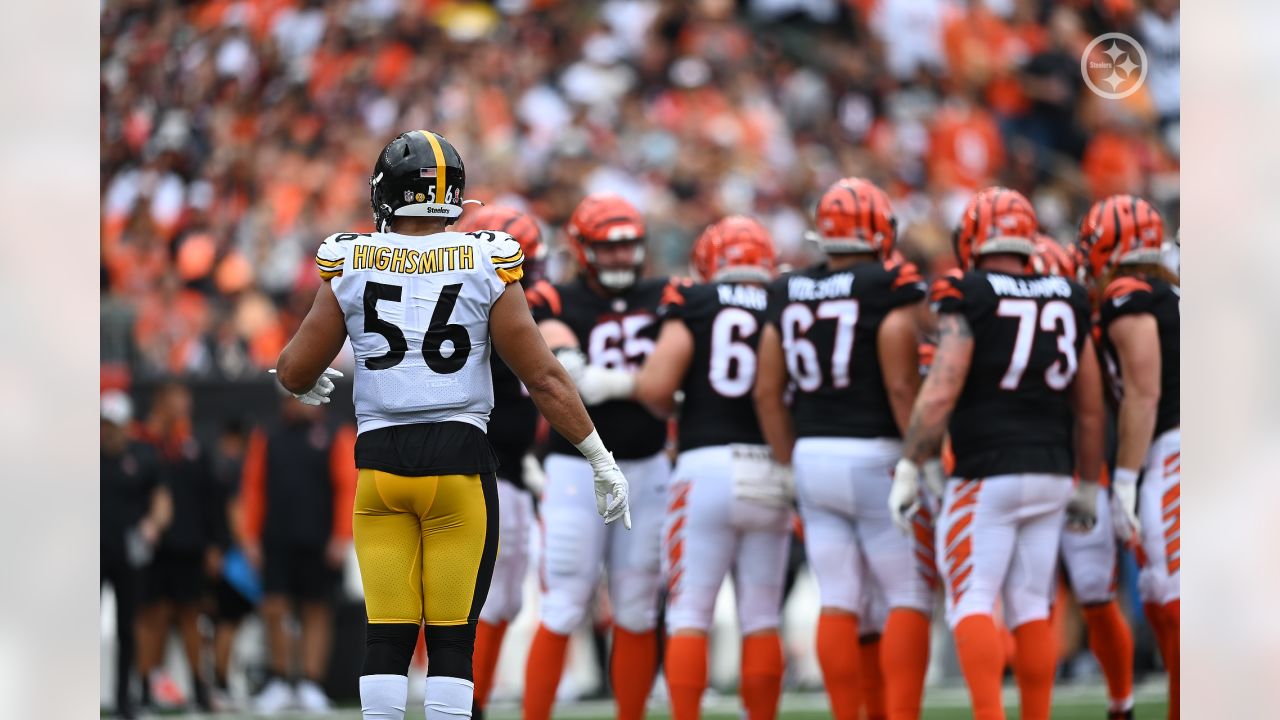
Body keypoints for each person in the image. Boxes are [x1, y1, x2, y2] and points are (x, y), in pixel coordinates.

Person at [272, 130, 631, 720]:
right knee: (451, 643)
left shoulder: (353, 260)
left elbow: (292, 369)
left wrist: (303, 381)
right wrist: (598, 456)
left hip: (380, 465)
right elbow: (542, 376)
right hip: (459, 463)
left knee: (385, 637)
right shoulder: (487, 258)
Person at [889, 187, 1105, 720]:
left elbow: (943, 383)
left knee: (972, 598)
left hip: (987, 471)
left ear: (972, 239)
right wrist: (1089, 481)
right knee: (1033, 605)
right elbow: (1092, 406)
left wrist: (913, 461)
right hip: (1053, 469)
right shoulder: (1067, 294)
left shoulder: (967, 289)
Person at [581, 216, 793, 719]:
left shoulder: (694, 302)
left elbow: (656, 387)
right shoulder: (787, 302)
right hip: (771, 466)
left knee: (690, 613)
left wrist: (678, 399)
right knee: (762, 617)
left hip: (707, 466)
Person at [754, 178, 934, 720]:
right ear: (881, 231)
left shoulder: (788, 288)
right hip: (876, 451)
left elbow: (767, 389)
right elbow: (903, 383)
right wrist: (918, 457)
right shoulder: (888, 283)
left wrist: (787, 462)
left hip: (812, 454)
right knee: (907, 595)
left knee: (840, 598)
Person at [521, 192, 669, 720]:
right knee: (562, 603)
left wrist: (643, 387)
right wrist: (650, 385)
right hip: (575, 468)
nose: (620, 259)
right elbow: (573, 379)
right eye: (607, 249)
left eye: (628, 247)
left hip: (650, 467)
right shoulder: (555, 300)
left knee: (637, 608)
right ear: (583, 250)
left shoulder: (667, 294)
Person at [1078, 195, 1179, 720]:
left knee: (1176, 594)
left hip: (1175, 447)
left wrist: (1123, 480)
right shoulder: (1169, 290)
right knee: (1161, 588)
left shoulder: (1127, 294)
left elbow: (1144, 392)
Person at [1030, 234, 1137, 719]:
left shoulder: (995, 317)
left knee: (1031, 600)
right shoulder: (1085, 325)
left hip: (1034, 468)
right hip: (1075, 471)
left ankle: (1112, 698)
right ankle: (1121, 701)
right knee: (1091, 594)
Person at [451, 204, 549, 718]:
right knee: (492, 600)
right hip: (495, 469)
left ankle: (471, 700)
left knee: (490, 599)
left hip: (475, 461)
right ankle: (472, 703)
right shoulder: (514, 303)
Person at [239, 395, 357, 713]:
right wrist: (250, 536)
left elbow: (348, 485)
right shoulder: (267, 435)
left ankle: (310, 682)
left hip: (319, 539)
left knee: (317, 610)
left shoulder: (337, 432)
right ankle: (279, 679)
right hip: (276, 538)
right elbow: (253, 486)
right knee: (274, 607)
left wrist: (341, 535)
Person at [134, 382, 217, 712]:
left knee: (190, 615)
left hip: (188, 545)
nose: (184, 405)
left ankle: (200, 689)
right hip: (151, 546)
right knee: (151, 616)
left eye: (187, 398)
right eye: (177, 398)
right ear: (160, 401)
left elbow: (210, 500)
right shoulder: (140, 444)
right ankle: (143, 688)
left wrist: (213, 544)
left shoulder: (191, 446)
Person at [101, 391, 172, 719]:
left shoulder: (143, 457)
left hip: (128, 553)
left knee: (129, 627)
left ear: (127, 425)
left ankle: (124, 699)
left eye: (113, 424)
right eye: (104, 424)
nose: (107, 431)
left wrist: (153, 525)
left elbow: (161, 499)